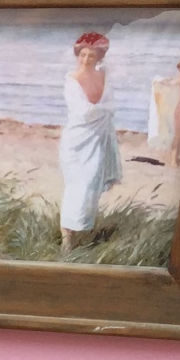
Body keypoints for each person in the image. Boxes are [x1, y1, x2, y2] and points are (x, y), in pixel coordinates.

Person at [59, 32, 123, 251]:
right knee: (77, 187)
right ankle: (66, 240)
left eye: (91, 56)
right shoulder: (71, 80)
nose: (86, 60)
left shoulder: (104, 75)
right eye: (83, 55)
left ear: (99, 57)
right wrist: (103, 109)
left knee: (91, 187)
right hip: (77, 141)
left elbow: (112, 104)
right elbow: (83, 112)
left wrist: (103, 109)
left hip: (98, 139)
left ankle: (82, 234)